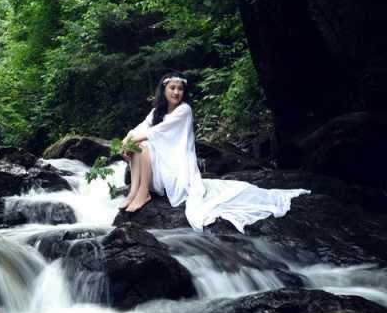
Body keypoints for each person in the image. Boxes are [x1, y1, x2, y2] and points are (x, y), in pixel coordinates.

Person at [119, 72, 311, 233]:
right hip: (157, 171)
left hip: (174, 171)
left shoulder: (184, 110)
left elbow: (156, 132)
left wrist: (133, 140)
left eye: (180, 88)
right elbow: (140, 128)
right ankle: (134, 191)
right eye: (172, 88)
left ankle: (143, 193)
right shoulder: (156, 112)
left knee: (141, 143)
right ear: (164, 89)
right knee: (137, 143)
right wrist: (126, 141)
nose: (176, 92)